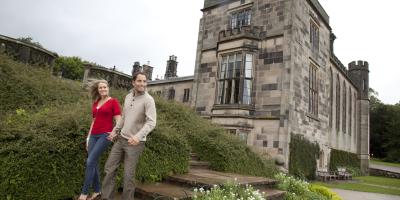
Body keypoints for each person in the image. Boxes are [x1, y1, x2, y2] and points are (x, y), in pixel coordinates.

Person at [102, 72, 156, 200]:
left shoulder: (148, 100)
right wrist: (115, 130)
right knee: (109, 169)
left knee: (128, 175)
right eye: (139, 81)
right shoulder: (128, 97)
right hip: (121, 140)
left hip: (135, 143)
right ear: (133, 82)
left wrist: (138, 136)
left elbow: (151, 122)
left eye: (144, 81)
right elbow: (124, 117)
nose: (142, 84)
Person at [78, 80, 121, 200]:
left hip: (104, 136)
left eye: (104, 87)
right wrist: (88, 137)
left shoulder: (113, 102)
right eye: (100, 88)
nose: (102, 89)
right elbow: (94, 121)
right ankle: (97, 190)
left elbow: (119, 120)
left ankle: (84, 193)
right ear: (98, 90)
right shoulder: (96, 102)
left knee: (90, 161)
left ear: (108, 88)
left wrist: (114, 133)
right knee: (94, 162)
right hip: (93, 135)